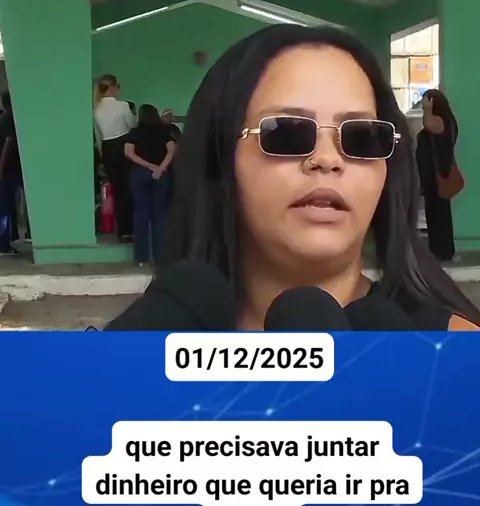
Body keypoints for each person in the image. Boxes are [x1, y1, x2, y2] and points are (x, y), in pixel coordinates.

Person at [157, 24, 478, 331]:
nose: (327, 159)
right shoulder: (150, 348)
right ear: (220, 156)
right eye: (286, 132)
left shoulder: (457, 351)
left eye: (362, 136)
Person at [124, 104, 176, 265]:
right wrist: (160, 168)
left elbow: (128, 153)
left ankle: (142, 258)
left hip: (140, 174)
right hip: (161, 175)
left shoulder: (135, 132)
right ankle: (160, 257)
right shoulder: (164, 131)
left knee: (141, 214)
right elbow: (172, 150)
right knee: (159, 216)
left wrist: (147, 165)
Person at [415, 89, 459, 262]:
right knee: (435, 213)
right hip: (433, 174)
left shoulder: (441, 120)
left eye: (426, 101)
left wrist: (427, 109)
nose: (423, 104)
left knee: (438, 213)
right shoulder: (446, 120)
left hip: (437, 175)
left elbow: (428, 124)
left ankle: (442, 250)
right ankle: (439, 250)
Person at [94, 74, 136, 241]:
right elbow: (132, 126)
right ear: (112, 87)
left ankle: (121, 230)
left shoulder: (96, 109)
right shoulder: (122, 106)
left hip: (107, 148)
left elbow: (99, 137)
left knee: (117, 191)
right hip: (122, 145)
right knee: (128, 190)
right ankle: (129, 229)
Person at [0, 91, 23, 255]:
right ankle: (3, 245)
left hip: (9, 169)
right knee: (5, 208)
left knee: (6, 207)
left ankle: (8, 240)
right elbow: (7, 145)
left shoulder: (4, 118)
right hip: (9, 170)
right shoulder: (9, 119)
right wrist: (1, 168)